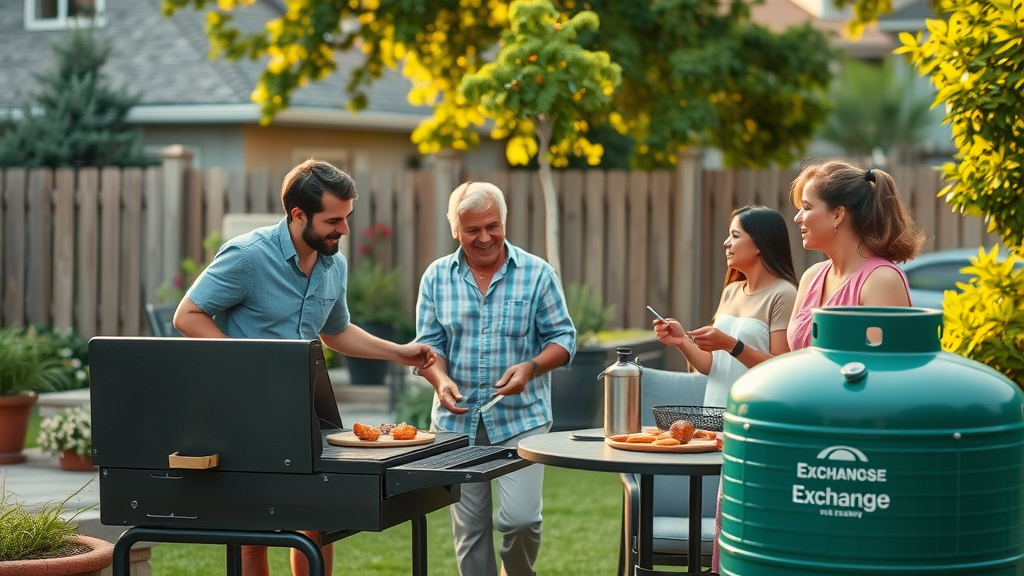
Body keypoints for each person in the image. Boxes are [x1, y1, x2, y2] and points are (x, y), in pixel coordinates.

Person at [172, 158, 436, 576]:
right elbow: (188, 315)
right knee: (254, 530)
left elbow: (336, 330)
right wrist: (248, 363)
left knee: (316, 520)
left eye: (347, 218)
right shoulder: (247, 257)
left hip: (304, 409)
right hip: (244, 411)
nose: (344, 230)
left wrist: (399, 352)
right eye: (334, 220)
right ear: (298, 215)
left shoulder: (334, 263)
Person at [414, 181, 576, 576]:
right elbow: (427, 349)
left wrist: (531, 368)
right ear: (455, 229)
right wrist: (439, 379)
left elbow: (564, 339)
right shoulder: (436, 277)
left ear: (504, 221)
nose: (485, 237)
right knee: (469, 532)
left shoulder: (537, 273)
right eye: (473, 229)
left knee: (521, 520)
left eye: (493, 226)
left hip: (522, 420)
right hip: (457, 424)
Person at [653, 205, 799, 407]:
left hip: (753, 415)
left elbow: (780, 368)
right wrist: (682, 341)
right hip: (714, 415)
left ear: (759, 244)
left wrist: (731, 344)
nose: (726, 243)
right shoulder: (731, 291)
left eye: (735, 236)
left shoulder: (784, 293)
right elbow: (713, 366)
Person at [787, 160, 925, 350]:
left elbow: (886, 364)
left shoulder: (881, 280)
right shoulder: (810, 277)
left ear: (838, 215)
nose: (797, 218)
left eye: (807, 207)